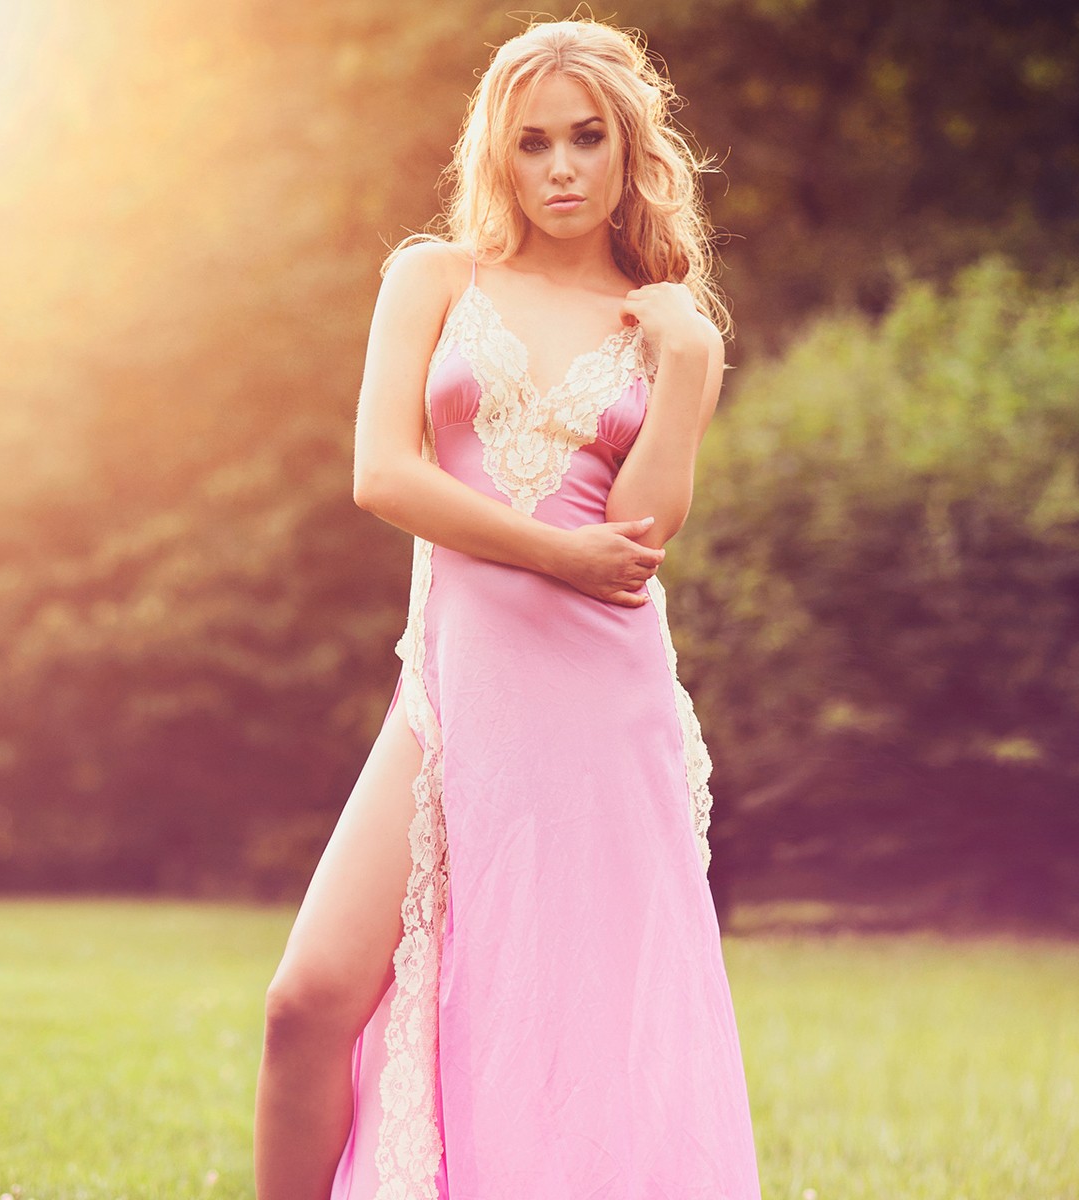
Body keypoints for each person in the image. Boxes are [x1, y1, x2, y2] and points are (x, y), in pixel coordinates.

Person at [254, 16, 761, 1198]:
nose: (563, 168)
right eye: (534, 143)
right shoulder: (434, 277)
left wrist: (688, 366)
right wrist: (550, 551)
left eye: (588, 138)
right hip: (451, 695)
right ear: (500, 154)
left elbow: (644, 533)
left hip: (603, 708)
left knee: (567, 1046)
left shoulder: (665, 322)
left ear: (631, 148)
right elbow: (384, 475)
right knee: (307, 999)